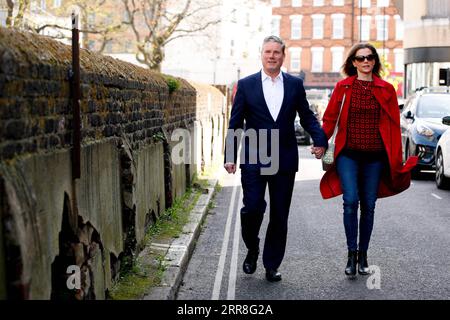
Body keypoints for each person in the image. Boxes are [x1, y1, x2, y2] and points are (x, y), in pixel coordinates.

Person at [224, 36, 328, 282]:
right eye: (268, 52)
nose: (272, 56)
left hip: (284, 157)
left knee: (280, 215)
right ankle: (252, 247)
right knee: (252, 209)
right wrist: (230, 155)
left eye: (276, 53)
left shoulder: (294, 84)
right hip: (254, 155)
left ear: (283, 55)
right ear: (261, 54)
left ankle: (271, 264)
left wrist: (320, 139)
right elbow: (235, 123)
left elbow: (307, 116)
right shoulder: (246, 85)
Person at [319, 43, 418, 277]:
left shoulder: (386, 89)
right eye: (361, 58)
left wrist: (396, 158)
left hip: (375, 157)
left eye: (370, 57)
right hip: (348, 155)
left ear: (374, 61)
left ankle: (363, 254)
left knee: (369, 205)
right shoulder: (343, 87)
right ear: (353, 62)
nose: (366, 61)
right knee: (351, 200)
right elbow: (330, 118)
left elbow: (394, 127)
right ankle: (351, 254)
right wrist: (320, 141)